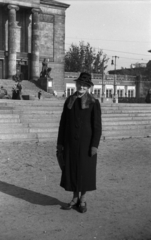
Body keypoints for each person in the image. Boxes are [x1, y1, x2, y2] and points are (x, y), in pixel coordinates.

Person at [57, 72, 102, 213]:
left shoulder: (93, 102)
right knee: (72, 170)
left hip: (86, 144)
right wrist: (60, 144)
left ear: (88, 87)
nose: (82, 86)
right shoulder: (69, 100)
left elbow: (97, 126)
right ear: (76, 84)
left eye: (85, 85)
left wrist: (94, 145)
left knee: (84, 171)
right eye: (80, 84)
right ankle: (74, 198)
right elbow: (63, 124)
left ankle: (82, 199)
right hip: (70, 143)